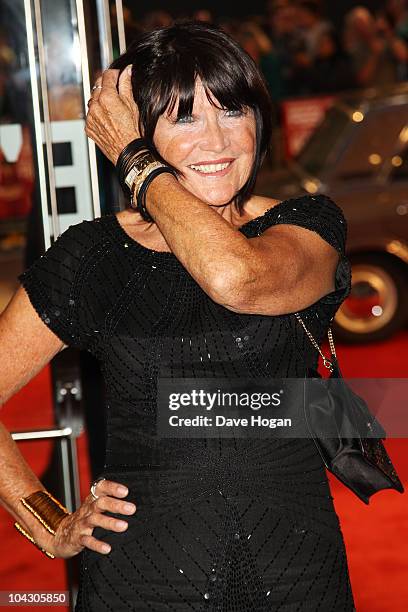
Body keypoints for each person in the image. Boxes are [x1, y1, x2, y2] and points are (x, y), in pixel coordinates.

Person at [0, 21, 355, 610]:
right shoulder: (93, 258)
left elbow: (234, 278)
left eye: (232, 110)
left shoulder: (307, 225)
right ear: (142, 132)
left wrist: (136, 165)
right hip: (143, 578)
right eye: (184, 117)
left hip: (299, 569)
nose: (217, 140)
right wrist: (46, 522)